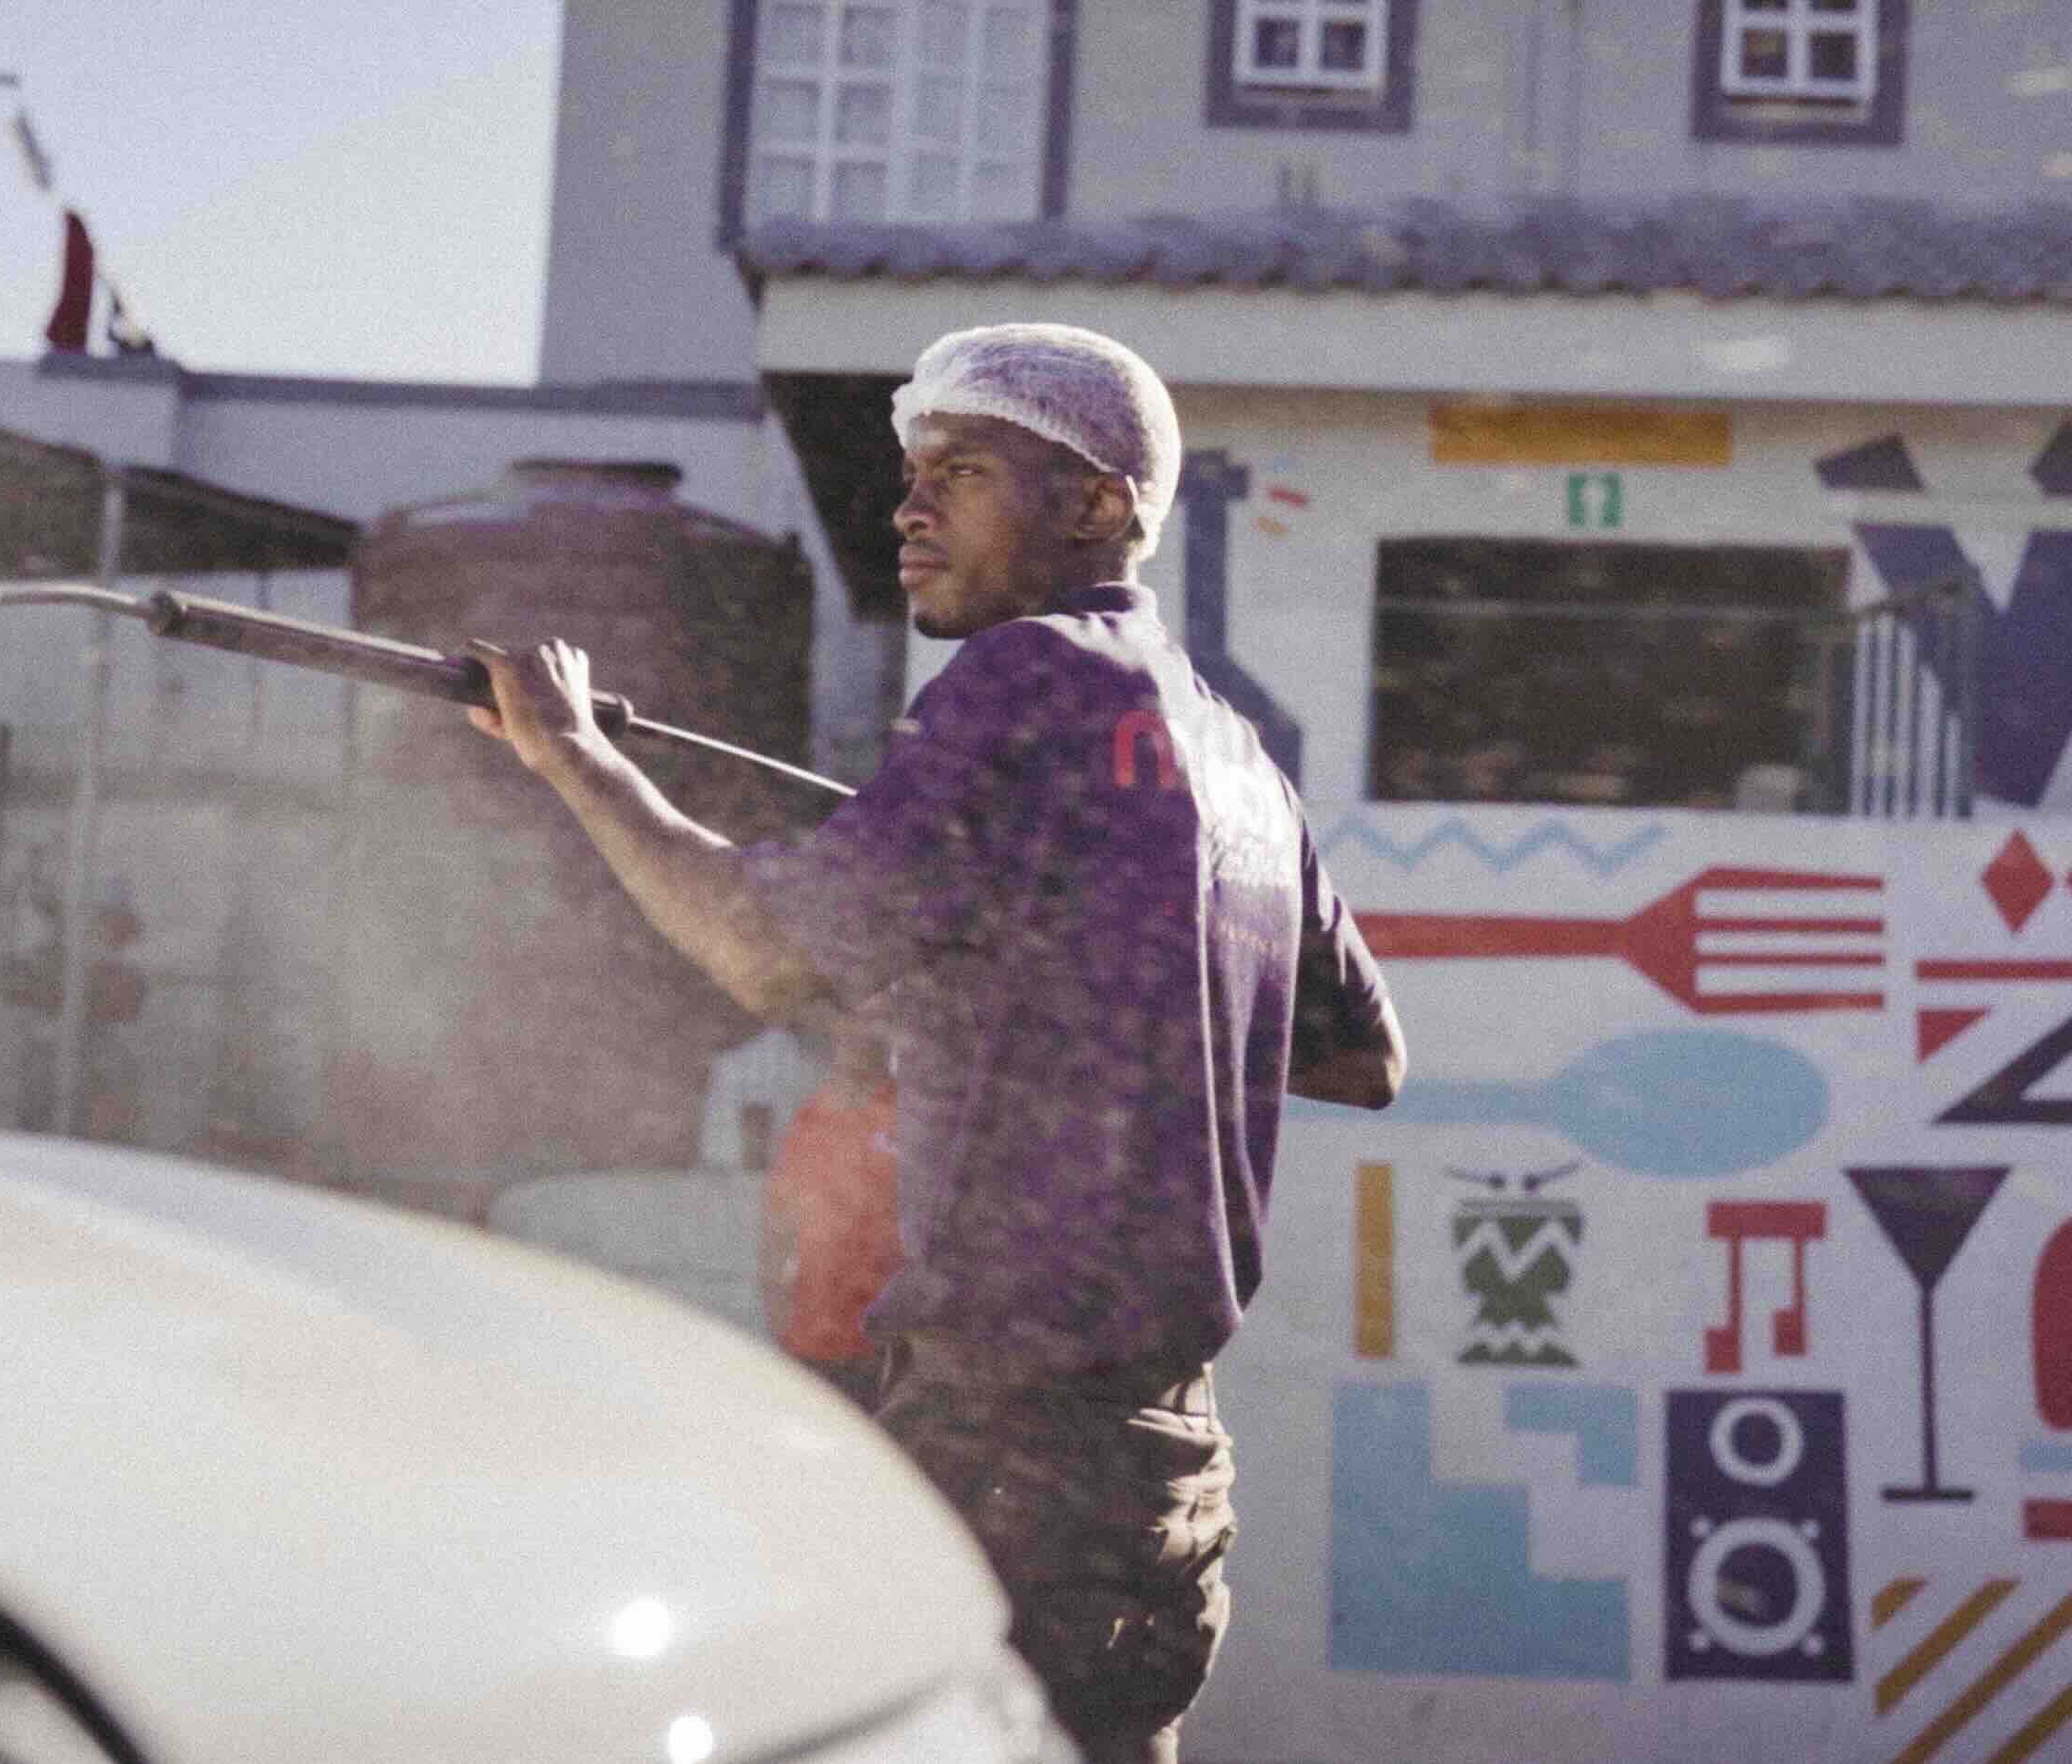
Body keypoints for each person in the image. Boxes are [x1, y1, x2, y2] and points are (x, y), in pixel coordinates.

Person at [468, 321, 1404, 1763]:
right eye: (911, 474)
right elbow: (1358, 1055)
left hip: (1011, 1449)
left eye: (959, 473)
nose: (909, 509)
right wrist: (1083, 950)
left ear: (1098, 505)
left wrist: (576, 759)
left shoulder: (1024, 679)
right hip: (1160, 1464)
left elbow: (767, 946)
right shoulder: (1230, 749)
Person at [757, 1017, 899, 1405]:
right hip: (814, 1340)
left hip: (881, 1345)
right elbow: (778, 1225)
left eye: (867, 1031)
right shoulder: (811, 1121)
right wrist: (778, 1310)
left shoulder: (908, 1116)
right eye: (849, 1028)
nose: (857, 1040)